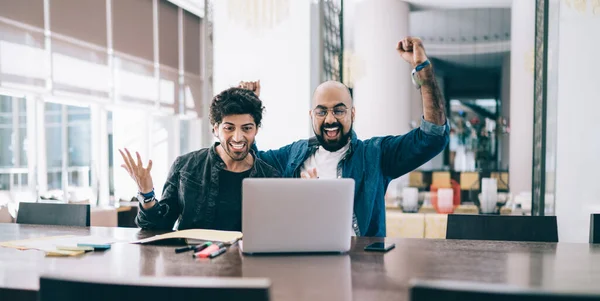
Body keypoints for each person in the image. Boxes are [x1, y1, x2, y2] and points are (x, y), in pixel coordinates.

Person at [241, 37, 449, 237]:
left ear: (352, 113)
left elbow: (432, 137)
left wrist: (425, 73)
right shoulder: (292, 155)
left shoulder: (375, 154)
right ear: (311, 115)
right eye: (322, 111)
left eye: (339, 111)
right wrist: (247, 106)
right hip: (302, 263)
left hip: (360, 267)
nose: (330, 119)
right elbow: (251, 165)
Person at [119, 87, 279, 231]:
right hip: (191, 261)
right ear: (215, 129)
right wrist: (147, 193)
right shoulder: (185, 166)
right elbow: (157, 226)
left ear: (256, 130)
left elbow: (275, 234)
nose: (237, 137)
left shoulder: (270, 177)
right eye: (229, 128)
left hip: (245, 263)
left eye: (247, 128)